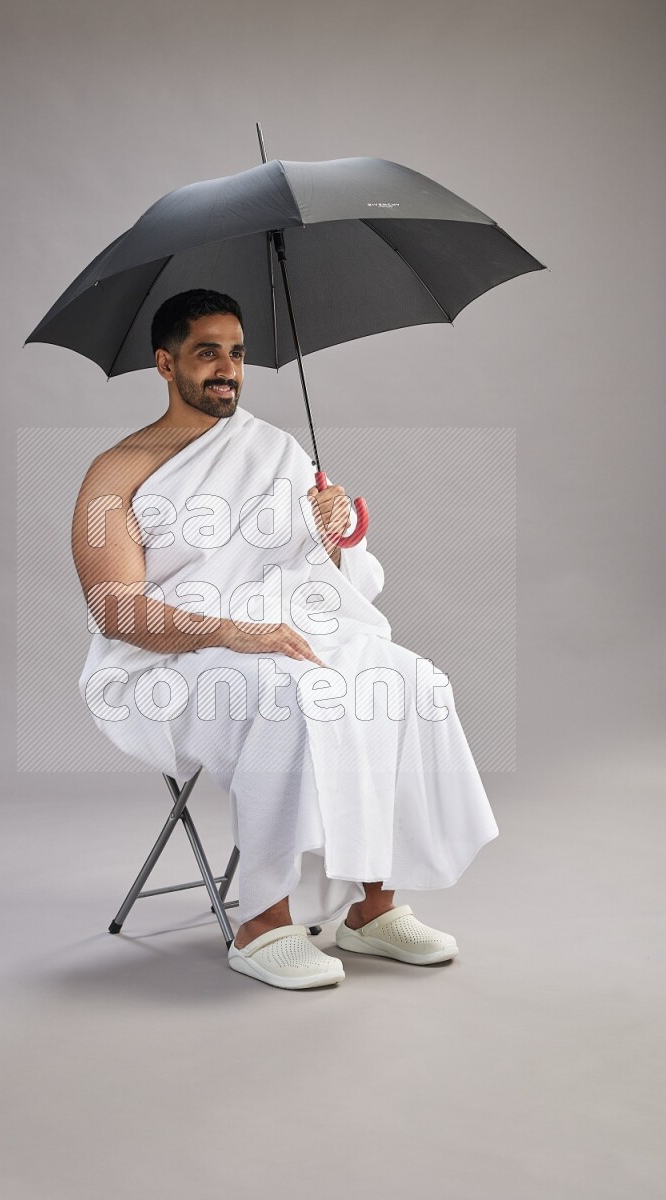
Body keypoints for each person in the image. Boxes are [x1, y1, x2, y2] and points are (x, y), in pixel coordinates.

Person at [72, 288, 499, 991]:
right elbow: (118, 612)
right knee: (290, 696)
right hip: (169, 661)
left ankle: (374, 906)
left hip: (285, 630)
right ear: (164, 362)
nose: (227, 369)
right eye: (206, 353)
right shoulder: (111, 475)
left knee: (410, 681)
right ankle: (263, 923)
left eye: (236, 353)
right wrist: (235, 633)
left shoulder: (275, 449)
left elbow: (327, 579)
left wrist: (334, 535)